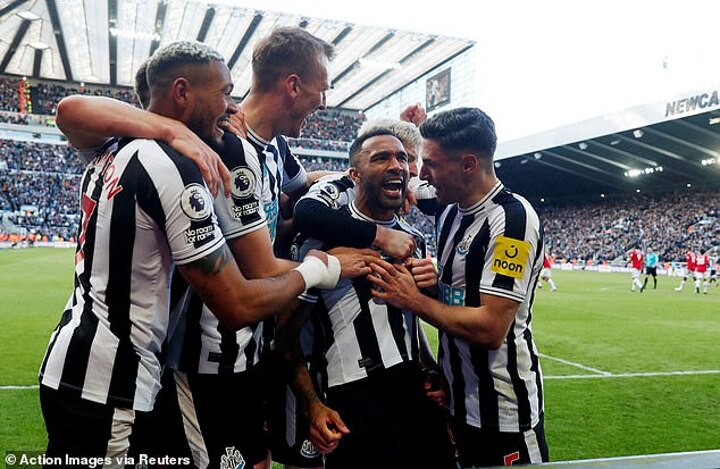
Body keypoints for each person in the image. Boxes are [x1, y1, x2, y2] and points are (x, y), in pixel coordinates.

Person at [38, 41, 373, 465]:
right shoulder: (173, 166)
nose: (233, 107)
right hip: (113, 379)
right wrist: (322, 269)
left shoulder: (113, 147)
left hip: (81, 362)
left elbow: (71, 113)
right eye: (225, 93)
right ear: (182, 92)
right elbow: (236, 303)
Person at [367, 107, 549, 467]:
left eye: (431, 164)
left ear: (468, 164)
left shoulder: (512, 221)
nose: (421, 174)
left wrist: (414, 299)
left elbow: (491, 328)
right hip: (457, 401)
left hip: (503, 413)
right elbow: (381, 179)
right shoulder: (448, 206)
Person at [284, 129, 455, 469]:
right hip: (352, 396)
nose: (396, 166)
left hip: (413, 390)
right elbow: (286, 335)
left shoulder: (413, 239)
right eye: (381, 158)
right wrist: (312, 403)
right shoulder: (319, 242)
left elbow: (411, 322)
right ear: (354, 174)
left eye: (402, 158)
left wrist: (432, 367)